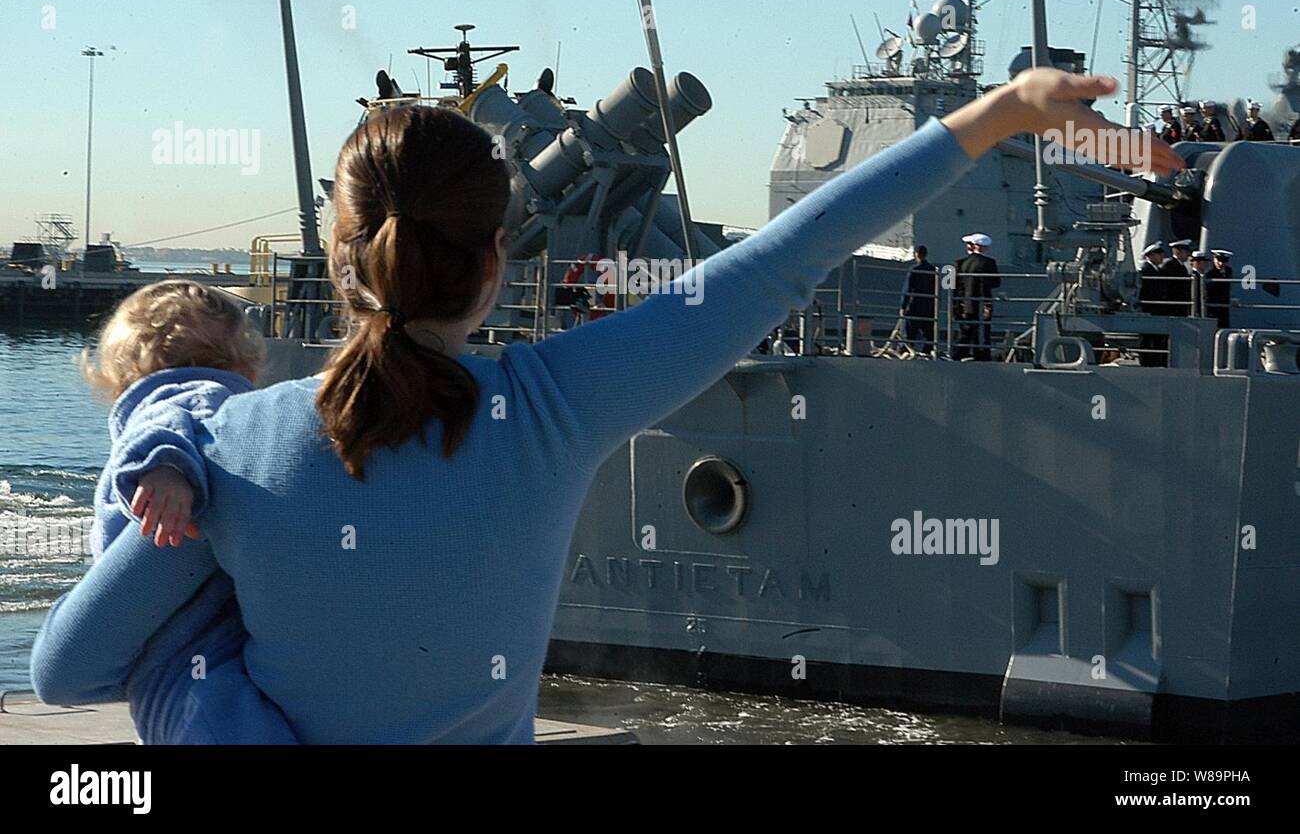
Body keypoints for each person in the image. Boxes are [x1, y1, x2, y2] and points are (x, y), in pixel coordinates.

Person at [29, 69, 1182, 743]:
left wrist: (211, 676)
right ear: (494, 259)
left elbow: (67, 668)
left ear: (340, 261)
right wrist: (995, 112)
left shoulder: (224, 441)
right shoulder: (552, 407)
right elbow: (784, 260)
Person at [77, 280, 297, 744]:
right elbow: (178, 421)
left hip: (161, 624)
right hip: (195, 616)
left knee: (191, 718)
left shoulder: (159, 402)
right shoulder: (214, 396)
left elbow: (171, 422)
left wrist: (167, 468)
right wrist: (168, 468)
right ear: (245, 364)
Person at [954, 233, 1000, 361]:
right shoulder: (989, 263)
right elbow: (994, 283)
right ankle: (982, 354)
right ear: (985, 247)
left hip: (966, 303)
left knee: (967, 330)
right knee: (982, 330)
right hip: (981, 303)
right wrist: (987, 305)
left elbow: (958, 285)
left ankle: (959, 353)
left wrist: (959, 304)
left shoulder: (962, 262)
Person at [900, 244, 937, 355]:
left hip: (915, 304)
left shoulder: (913, 269)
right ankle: (928, 351)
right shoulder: (933, 270)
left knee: (910, 330)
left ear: (916, 254)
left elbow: (907, 290)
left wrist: (903, 306)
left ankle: (905, 350)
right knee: (928, 331)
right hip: (929, 305)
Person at [1137, 242, 1169, 365]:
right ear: (1150, 256)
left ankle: (1155, 360)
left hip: (1157, 308)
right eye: (1158, 254)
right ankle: (1146, 361)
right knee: (1146, 337)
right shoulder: (1146, 270)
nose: (1161, 257)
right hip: (1149, 308)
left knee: (1156, 337)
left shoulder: (1157, 270)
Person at [1160, 239, 1193, 317]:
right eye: (1186, 252)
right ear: (1178, 252)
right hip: (1172, 303)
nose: (1188, 254)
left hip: (1180, 303)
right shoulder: (1169, 265)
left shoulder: (1182, 266)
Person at [1206, 249, 1235, 328]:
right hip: (1213, 305)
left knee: (1224, 324)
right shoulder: (1209, 273)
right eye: (1218, 260)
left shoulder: (1228, 271)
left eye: (1224, 261)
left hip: (1224, 304)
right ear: (1214, 259)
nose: (1221, 263)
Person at [1189, 250, 1212, 317]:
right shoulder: (1193, 276)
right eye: (1203, 261)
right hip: (1196, 307)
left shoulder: (1201, 275)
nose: (1205, 264)